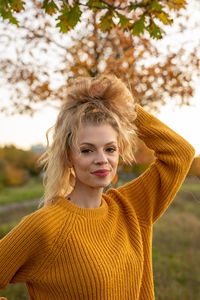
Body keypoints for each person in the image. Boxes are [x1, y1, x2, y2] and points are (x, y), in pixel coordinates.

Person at [0, 74, 195, 300]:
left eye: (110, 149)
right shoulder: (45, 227)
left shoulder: (132, 207)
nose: (102, 159)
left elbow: (181, 154)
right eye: (87, 150)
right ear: (68, 158)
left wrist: (127, 109)